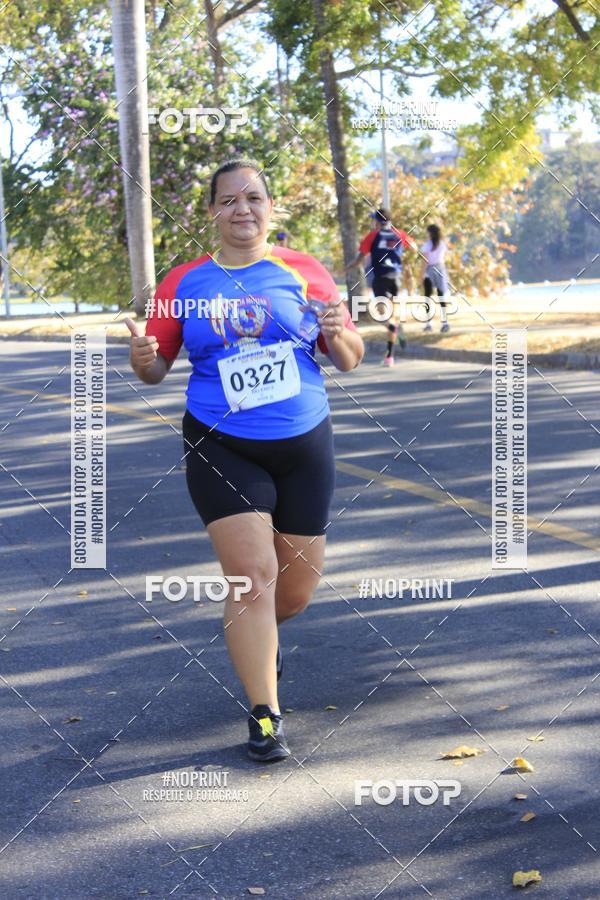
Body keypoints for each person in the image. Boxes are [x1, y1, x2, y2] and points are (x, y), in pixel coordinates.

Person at [126, 158, 364, 763]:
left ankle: (258, 638)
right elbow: (154, 371)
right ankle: (265, 713)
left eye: (253, 198)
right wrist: (143, 353)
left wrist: (337, 330)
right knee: (252, 576)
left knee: (295, 590)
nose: (242, 209)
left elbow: (349, 358)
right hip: (219, 442)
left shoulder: (304, 271)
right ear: (212, 212)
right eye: (229, 200)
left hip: (304, 442)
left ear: (270, 207)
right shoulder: (183, 284)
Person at [347, 207, 413, 367]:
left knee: (384, 316)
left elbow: (359, 258)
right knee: (393, 313)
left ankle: (393, 331)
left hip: (380, 279)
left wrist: (348, 267)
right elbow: (413, 246)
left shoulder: (372, 235)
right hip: (395, 277)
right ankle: (390, 353)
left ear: (377, 221)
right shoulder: (399, 234)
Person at [421, 224, 450, 333]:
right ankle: (445, 322)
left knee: (428, 297)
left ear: (430, 233)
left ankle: (428, 324)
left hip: (430, 270)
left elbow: (424, 261)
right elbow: (444, 257)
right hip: (441, 269)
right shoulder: (442, 244)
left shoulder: (427, 245)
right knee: (441, 296)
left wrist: (421, 275)